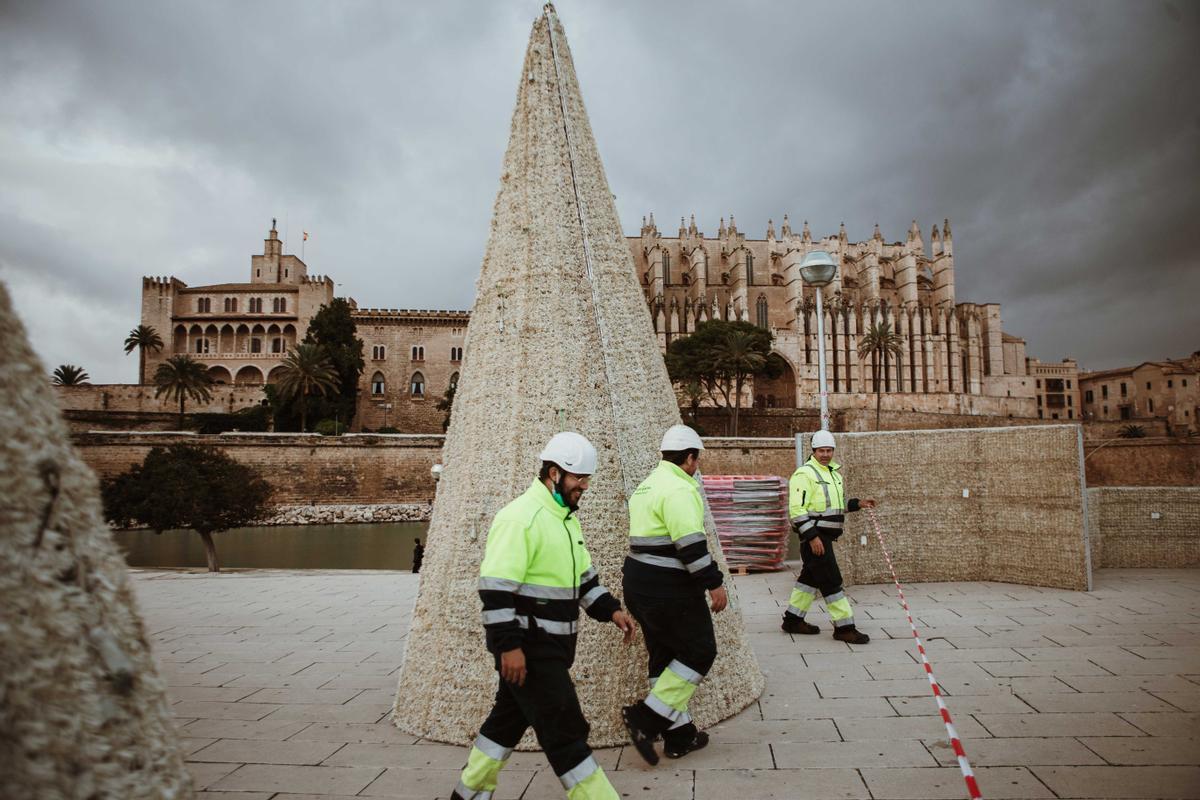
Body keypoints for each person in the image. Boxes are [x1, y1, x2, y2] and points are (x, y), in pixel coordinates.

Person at [450, 432, 636, 800]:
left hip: (550, 647)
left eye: (587, 479)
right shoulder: (520, 518)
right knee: (566, 730)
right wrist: (509, 649)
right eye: (578, 479)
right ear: (554, 473)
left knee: (506, 721)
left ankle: (469, 793)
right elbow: (496, 590)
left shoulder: (565, 520)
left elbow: (583, 581)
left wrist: (611, 609)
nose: (584, 486)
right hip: (530, 650)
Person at [620, 424, 726, 765]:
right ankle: (647, 719)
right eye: (698, 460)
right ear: (691, 458)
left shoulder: (647, 485)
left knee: (664, 655)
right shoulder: (680, 489)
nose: (698, 467)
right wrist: (715, 583)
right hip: (669, 587)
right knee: (699, 651)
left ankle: (679, 736)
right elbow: (691, 547)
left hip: (639, 583)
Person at [781, 429, 874, 644]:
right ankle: (844, 627)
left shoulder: (834, 475)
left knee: (809, 579)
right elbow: (797, 510)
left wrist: (857, 504)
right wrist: (812, 537)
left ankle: (793, 620)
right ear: (813, 451)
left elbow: (835, 508)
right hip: (815, 537)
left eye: (829, 450)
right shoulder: (804, 474)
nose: (825, 454)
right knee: (832, 580)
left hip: (824, 537)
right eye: (821, 450)